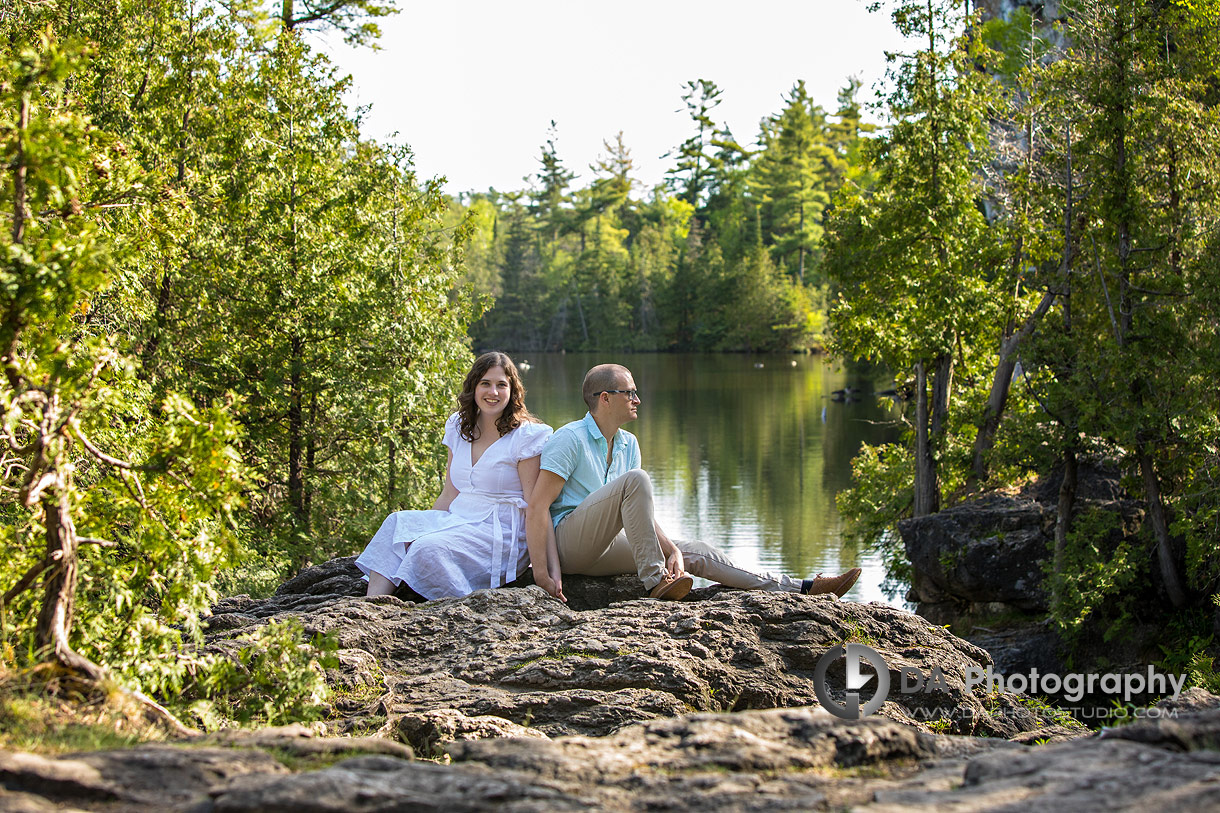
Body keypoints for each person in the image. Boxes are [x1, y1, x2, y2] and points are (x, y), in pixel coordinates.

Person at [525, 363, 862, 602]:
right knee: (636, 480)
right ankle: (656, 581)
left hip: (607, 545)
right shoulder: (569, 438)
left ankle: (799, 588)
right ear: (605, 398)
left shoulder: (629, 444)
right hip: (569, 546)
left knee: (694, 552)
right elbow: (538, 507)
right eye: (630, 393)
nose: (637, 399)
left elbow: (637, 510)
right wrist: (543, 574)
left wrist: (670, 548)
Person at [357, 352, 554, 599]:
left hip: (501, 534)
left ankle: (462, 600)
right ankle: (373, 605)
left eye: (501, 385)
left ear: (512, 391)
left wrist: (543, 572)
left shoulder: (526, 436)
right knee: (397, 524)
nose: (493, 392)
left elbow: (536, 506)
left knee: (427, 550)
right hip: (459, 520)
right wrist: (424, 527)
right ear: (474, 387)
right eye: (486, 383)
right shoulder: (458, 427)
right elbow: (450, 492)